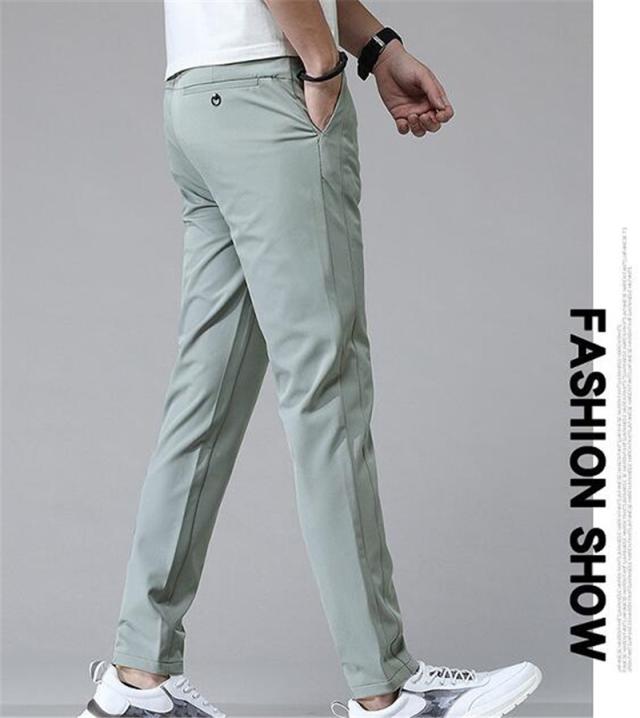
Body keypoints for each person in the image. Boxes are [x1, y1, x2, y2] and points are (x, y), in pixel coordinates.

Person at [79, 1, 542, 716]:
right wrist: (323, 64)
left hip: (197, 97)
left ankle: (137, 678)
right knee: (328, 392)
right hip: (272, 94)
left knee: (204, 399)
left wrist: (378, 49)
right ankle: (386, 691)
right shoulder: (301, 72)